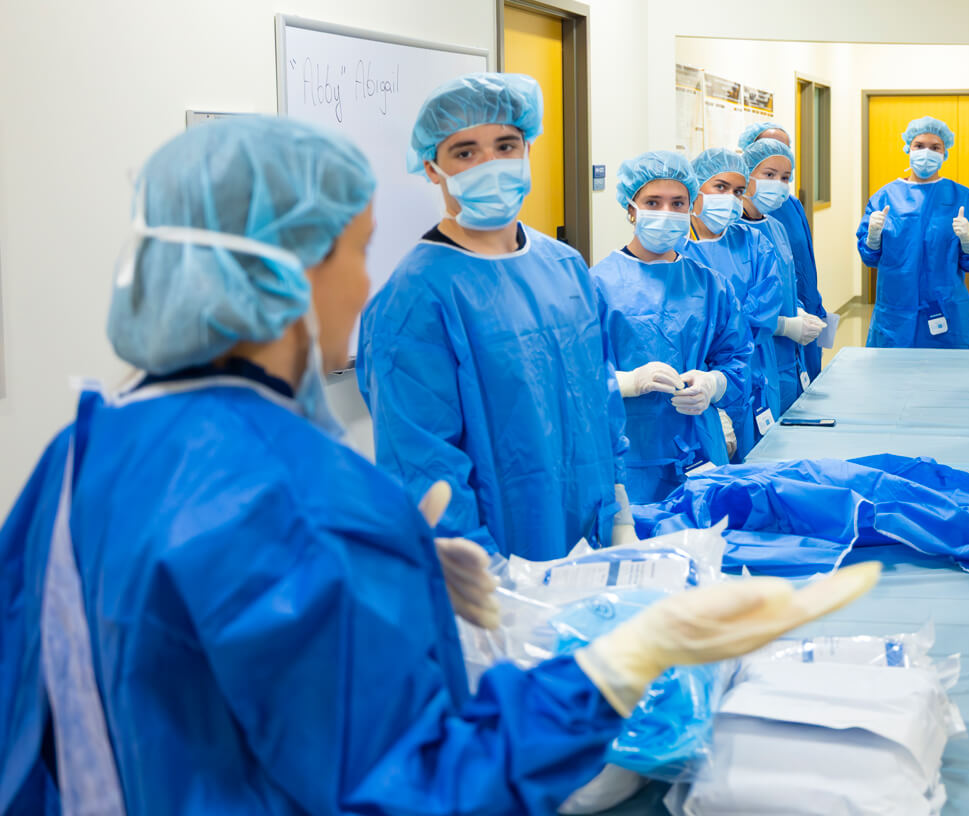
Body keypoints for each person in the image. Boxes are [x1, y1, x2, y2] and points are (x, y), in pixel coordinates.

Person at [0, 115, 883, 816]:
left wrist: (396, 574)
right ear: (285, 274)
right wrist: (627, 662)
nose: (363, 283)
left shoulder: (82, 449)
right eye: (356, 248)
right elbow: (417, 785)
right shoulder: (303, 496)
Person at [357, 73, 636, 561]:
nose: (491, 164)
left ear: (528, 149)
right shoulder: (414, 298)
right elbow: (424, 470)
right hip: (501, 564)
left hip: (590, 543)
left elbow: (599, 399)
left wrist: (620, 516)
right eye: (466, 153)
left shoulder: (566, 267)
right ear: (431, 167)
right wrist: (487, 584)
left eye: (506, 145)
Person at [590, 151, 751, 502]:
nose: (666, 213)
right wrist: (628, 382)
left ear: (691, 207)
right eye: (653, 202)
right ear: (631, 209)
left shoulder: (710, 284)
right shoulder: (597, 285)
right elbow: (575, 375)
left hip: (700, 448)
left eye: (678, 202)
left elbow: (738, 358)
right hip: (628, 458)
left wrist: (714, 383)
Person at [679, 148, 786, 460]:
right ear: (695, 189)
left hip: (750, 373)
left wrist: (725, 375)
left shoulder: (755, 243)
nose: (729, 198)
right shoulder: (673, 251)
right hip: (693, 382)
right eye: (720, 187)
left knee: (758, 463)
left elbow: (761, 314)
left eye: (738, 191)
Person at [855, 115, 969, 349]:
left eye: (934, 147)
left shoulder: (964, 198)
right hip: (896, 307)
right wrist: (873, 237)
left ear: (944, 153)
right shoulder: (885, 197)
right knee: (893, 376)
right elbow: (870, 258)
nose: (926, 152)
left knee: (948, 377)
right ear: (908, 148)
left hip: (945, 305)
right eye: (919, 146)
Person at [737, 138, 823, 412]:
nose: (778, 183)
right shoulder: (731, 235)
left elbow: (788, 284)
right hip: (753, 359)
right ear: (746, 177)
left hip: (787, 359)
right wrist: (784, 325)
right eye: (769, 175)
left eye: (785, 177)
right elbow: (732, 310)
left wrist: (798, 311)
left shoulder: (775, 227)